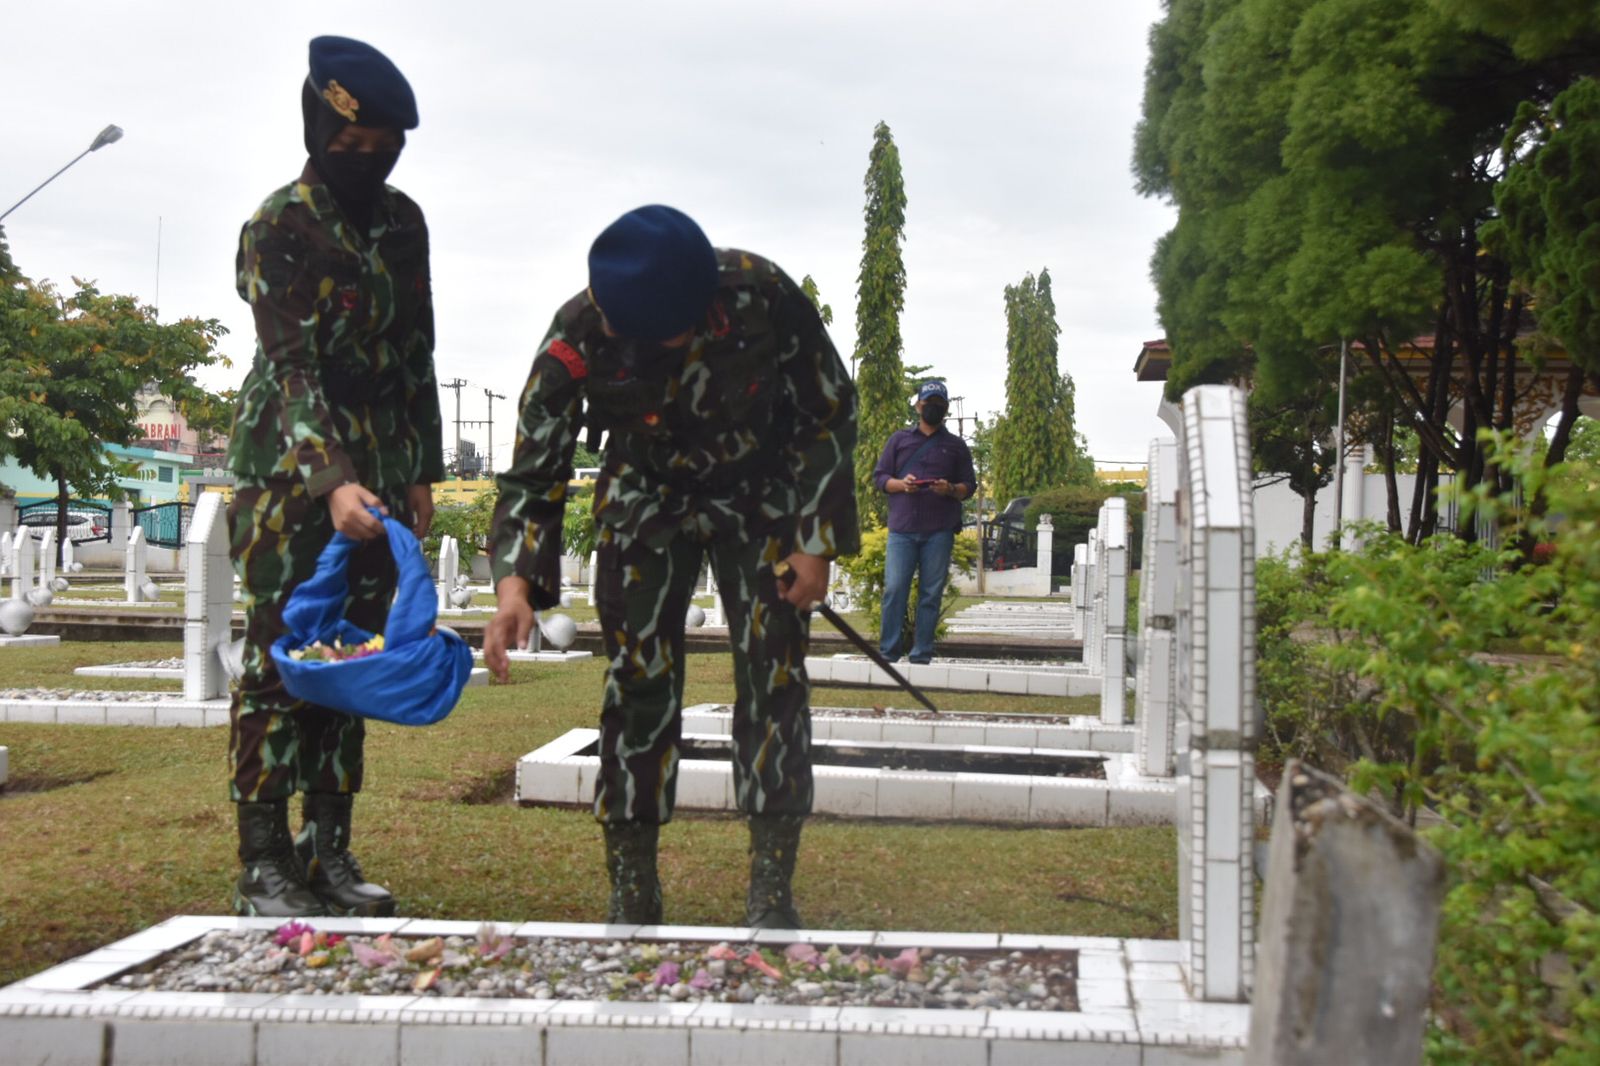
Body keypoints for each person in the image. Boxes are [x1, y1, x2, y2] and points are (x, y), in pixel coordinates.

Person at [484, 205, 858, 929]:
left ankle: (772, 889)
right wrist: (514, 585)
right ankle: (632, 886)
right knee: (638, 688)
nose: (664, 346)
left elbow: (827, 410)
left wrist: (814, 542)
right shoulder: (581, 330)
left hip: (759, 501)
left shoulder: (761, 292)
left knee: (774, 681)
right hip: (644, 502)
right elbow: (535, 469)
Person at [225, 35, 443, 917]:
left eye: (382, 147)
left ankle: (332, 856)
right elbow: (292, 367)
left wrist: (420, 466)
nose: (367, 161)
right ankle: (264, 860)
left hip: (381, 462)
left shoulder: (404, 222)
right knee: (282, 663)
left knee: (350, 658)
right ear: (318, 130)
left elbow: (418, 350)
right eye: (349, 146)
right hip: (288, 471)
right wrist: (332, 480)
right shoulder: (279, 226)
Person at [871, 380, 975, 664]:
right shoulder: (899, 440)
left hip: (939, 530)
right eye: (929, 403)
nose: (933, 409)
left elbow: (969, 485)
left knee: (930, 593)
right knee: (895, 590)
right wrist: (901, 484)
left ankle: (921, 654)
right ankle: (889, 653)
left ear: (946, 409)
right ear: (918, 406)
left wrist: (950, 489)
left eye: (939, 405)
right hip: (902, 530)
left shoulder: (956, 446)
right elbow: (880, 478)